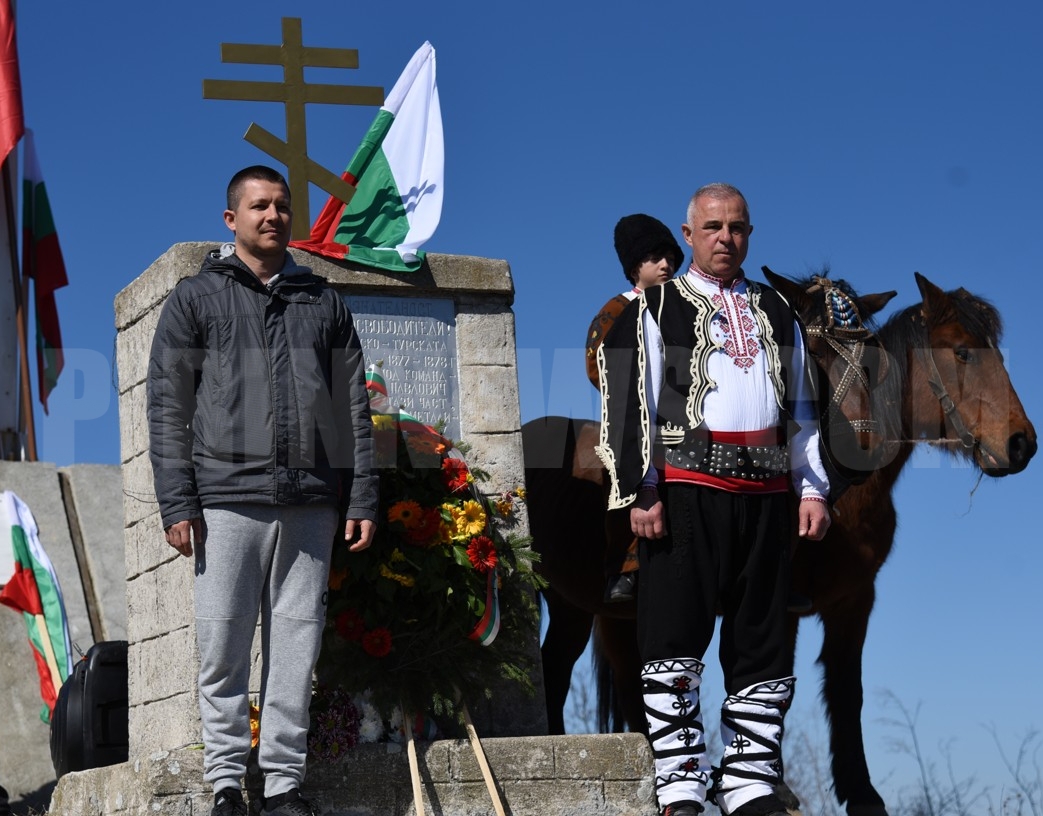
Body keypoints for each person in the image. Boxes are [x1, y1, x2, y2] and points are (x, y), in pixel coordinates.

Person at [147, 165, 378, 816]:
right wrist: (177, 501)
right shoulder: (196, 299)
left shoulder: (322, 302)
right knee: (221, 647)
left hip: (310, 500)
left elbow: (352, 407)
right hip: (225, 498)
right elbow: (168, 405)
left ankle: (282, 785)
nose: (272, 215)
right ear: (231, 220)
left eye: (281, 206)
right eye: (258, 206)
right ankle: (226, 782)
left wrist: (359, 497)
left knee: (295, 649)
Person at [595, 183, 831, 816]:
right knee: (675, 632)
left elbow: (803, 410)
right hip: (686, 489)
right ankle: (681, 784)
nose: (727, 238)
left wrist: (811, 487)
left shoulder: (777, 310)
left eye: (739, 228)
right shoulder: (654, 306)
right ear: (690, 232)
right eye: (714, 227)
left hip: (767, 494)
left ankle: (749, 781)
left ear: (749, 235)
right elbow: (626, 397)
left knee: (762, 636)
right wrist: (641, 488)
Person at [584, 214, 684, 603]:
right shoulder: (618, 307)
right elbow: (597, 363)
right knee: (624, 472)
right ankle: (622, 569)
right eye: (655, 257)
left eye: (671, 258)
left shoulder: (683, 310)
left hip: (685, 419)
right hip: (633, 417)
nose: (666, 265)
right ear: (633, 267)